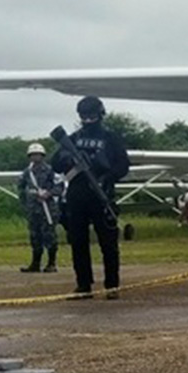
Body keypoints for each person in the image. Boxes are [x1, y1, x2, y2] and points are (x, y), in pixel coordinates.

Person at [51, 96, 130, 299]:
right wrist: (68, 159)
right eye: (84, 116)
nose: (88, 119)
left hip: (101, 194)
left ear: (100, 114)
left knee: (108, 243)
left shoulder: (111, 138)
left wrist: (108, 177)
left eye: (91, 115)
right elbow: (56, 164)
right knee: (78, 241)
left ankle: (112, 286)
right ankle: (83, 285)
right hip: (77, 196)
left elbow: (123, 165)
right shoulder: (73, 139)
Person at [16, 143, 62, 273]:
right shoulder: (27, 172)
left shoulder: (51, 170)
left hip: (48, 209)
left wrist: (48, 194)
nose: (35, 157)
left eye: (38, 155)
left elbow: (59, 186)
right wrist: (25, 203)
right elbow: (21, 188)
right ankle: (35, 264)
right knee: (35, 236)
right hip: (33, 209)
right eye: (33, 155)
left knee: (50, 236)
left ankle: (51, 263)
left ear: (42, 156)